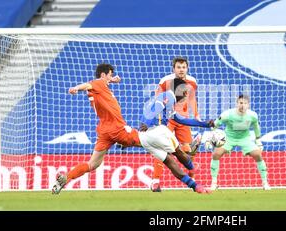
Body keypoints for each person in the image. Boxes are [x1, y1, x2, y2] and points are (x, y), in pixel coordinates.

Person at [51, 63, 211, 194]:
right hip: (119, 129)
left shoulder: (101, 89)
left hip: (104, 132)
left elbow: (95, 87)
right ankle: (191, 169)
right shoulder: (98, 83)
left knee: (93, 164)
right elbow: (89, 84)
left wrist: (112, 80)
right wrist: (75, 88)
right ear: (103, 75)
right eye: (110, 75)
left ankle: (66, 178)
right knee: (170, 154)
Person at [142, 77, 214, 191]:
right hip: (157, 131)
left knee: (171, 162)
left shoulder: (170, 103)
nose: (186, 94)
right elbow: (157, 107)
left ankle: (193, 185)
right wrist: (146, 123)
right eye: (184, 91)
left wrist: (205, 124)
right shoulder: (168, 96)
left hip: (146, 137)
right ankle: (191, 166)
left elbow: (182, 120)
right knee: (179, 153)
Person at [151, 56, 201, 192]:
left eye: (184, 67)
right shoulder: (165, 81)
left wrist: (196, 115)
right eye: (178, 67)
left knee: (188, 151)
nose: (181, 69)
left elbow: (191, 99)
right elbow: (157, 99)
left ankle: (193, 180)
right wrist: (158, 117)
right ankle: (155, 181)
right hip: (168, 119)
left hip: (183, 119)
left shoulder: (192, 81)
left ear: (187, 68)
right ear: (173, 69)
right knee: (161, 149)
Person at [209, 94, 270, 190]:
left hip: (245, 138)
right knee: (216, 153)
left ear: (248, 105)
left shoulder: (253, 115)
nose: (243, 105)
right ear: (237, 104)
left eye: (245, 103)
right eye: (241, 103)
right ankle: (214, 183)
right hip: (229, 138)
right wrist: (211, 138)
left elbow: (256, 127)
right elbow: (215, 125)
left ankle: (265, 183)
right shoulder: (227, 114)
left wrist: (258, 140)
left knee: (258, 154)